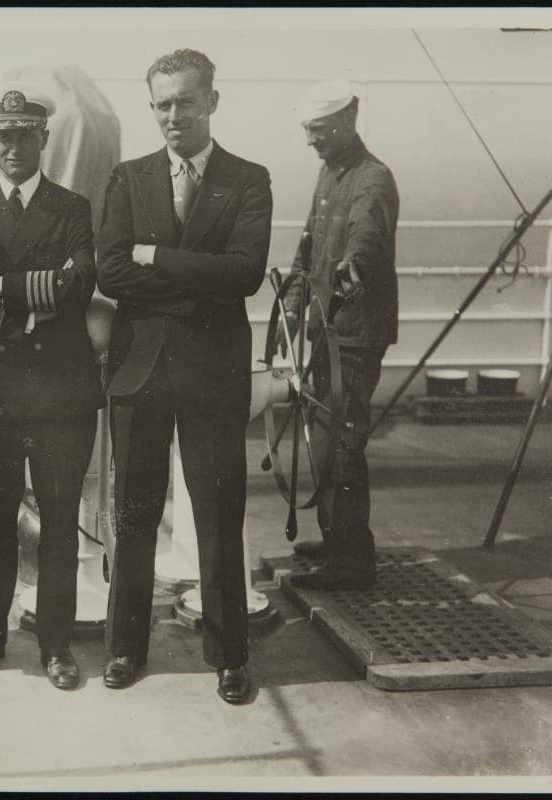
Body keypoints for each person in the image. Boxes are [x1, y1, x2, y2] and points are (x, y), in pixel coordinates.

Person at [95, 50, 273, 704]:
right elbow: (110, 271)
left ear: (211, 102)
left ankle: (228, 656)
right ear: (153, 108)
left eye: (185, 102)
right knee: (134, 514)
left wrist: (157, 259)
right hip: (140, 370)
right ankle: (124, 647)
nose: (174, 115)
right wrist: (193, 289)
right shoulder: (128, 177)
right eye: (162, 104)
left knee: (218, 514)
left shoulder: (247, 179)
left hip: (212, 374)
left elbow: (244, 273)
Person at [0, 86, 103, 690]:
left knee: (59, 522)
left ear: (44, 140)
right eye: (2, 137)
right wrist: (33, 297)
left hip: (61, 395)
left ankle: (55, 644)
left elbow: (80, 284)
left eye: (25, 135)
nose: (13, 146)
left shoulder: (72, 209)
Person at [283, 78, 399, 591]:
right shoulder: (330, 174)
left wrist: (345, 279)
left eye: (320, 130)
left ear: (350, 120)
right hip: (326, 333)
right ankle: (339, 542)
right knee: (325, 439)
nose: (310, 139)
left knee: (343, 443)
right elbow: (310, 243)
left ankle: (352, 561)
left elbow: (364, 247)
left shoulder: (372, 180)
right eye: (307, 129)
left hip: (352, 336)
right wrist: (291, 302)